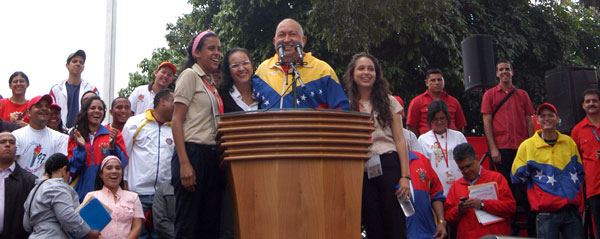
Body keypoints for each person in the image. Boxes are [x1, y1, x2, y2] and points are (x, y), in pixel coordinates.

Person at [343, 52, 410, 239]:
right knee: (371, 223)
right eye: (361, 68)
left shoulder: (389, 102)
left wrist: (405, 176)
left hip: (389, 164)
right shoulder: (346, 105)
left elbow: (400, 140)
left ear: (377, 73)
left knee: (394, 222)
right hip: (360, 169)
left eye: (371, 69)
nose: (366, 72)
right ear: (353, 73)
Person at [171, 30, 225, 239]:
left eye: (219, 49)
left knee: (209, 225)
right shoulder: (190, 76)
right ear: (197, 53)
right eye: (211, 48)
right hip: (192, 153)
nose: (217, 53)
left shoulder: (211, 83)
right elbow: (176, 120)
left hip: (211, 156)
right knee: (188, 226)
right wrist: (185, 163)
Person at [512, 103, 585, 238]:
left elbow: (580, 173)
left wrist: (572, 192)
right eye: (543, 116)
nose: (547, 119)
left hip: (571, 210)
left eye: (551, 115)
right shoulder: (527, 146)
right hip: (545, 213)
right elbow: (517, 177)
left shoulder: (569, 142)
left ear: (557, 119)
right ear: (537, 120)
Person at [481, 59, 535, 236]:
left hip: (522, 148)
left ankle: (533, 230)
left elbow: (529, 120)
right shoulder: (489, 95)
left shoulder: (522, 95)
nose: (504, 72)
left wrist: (532, 145)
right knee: (507, 191)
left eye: (507, 69)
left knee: (526, 191)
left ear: (512, 72)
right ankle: (511, 230)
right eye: (500, 69)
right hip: (502, 148)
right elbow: (487, 122)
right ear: (496, 74)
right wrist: (493, 148)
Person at [252, 18, 349, 110]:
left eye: (292, 34)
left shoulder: (323, 70)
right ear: (274, 41)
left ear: (304, 40)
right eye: (281, 35)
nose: (286, 39)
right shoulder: (263, 70)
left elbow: (340, 110)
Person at [122, 89, 175, 239]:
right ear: (162, 101)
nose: (176, 105)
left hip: (165, 193)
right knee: (139, 234)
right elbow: (124, 154)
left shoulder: (176, 127)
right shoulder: (135, 122)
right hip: (138, 193)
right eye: (173, 101)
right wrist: (125, 182)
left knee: (163, 234)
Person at [445, 143, 516, 239]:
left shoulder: (496, 178)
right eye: (461, 168)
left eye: (469, 166)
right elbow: (448, 217)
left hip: (494, 235)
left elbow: (510, 207)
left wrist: (483, 204)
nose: (466, 171)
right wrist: (459, 210)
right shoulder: (456, 186)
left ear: (477, 159)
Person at [23, 153, 101, 239]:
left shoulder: (34, 190)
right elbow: (68, 217)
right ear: (64, 170)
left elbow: (26, 224)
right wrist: (89, 233)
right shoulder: (59, 187)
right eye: (69, 174)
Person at [68, 96, 128, 202]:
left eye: (100, 109)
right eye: (93, 108)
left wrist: (113, 148)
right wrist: (81, 148)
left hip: (108, 194)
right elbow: (72, 169)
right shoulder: (76, 135)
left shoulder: (113, 134)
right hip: (81, 194)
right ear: (85, 111)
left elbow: (122, 164)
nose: (97, 111)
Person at [85, 155, 144, 239]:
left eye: (118, 168)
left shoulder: (133, 197)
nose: (114, 171)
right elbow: (88, 227)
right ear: (101, 174)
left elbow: (137, 227)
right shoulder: (92, 197)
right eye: (109, 168)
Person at [418, 100, 468, 195]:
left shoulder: (459, 136)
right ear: (431, 120)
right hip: (437, 190)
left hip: (460, 187)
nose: (439, 122)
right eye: (436, 119)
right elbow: (423, 168)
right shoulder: (423, 140)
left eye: (442, 118)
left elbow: (468, 160)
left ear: (448, 118)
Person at [13, 95, 68, 178]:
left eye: (47, 106)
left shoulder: (60, 138)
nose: (44, 109)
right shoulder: (15, 136)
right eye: (39, 106)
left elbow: (60, 170)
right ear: (28, 113)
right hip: (21, 187)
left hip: (47, 187)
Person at [571, 88, 600, 238]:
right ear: (583, 106)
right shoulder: (577, 130)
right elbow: (575, 160)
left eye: (594, 100)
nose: (591, 104)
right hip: (594, 187)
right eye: (587, 101)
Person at [407, 68, 467, 136]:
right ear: (427, 83)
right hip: (426, 144)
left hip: (452, 142)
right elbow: (411, 127)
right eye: (433, 80)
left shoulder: (454, 102)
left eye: (439, 80)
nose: (437, 83)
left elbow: (460, 126)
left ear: (444, 81)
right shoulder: (417, 102)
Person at [0, 131, 37, 239]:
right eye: (2, 142)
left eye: (11, 142)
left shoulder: (29, 181)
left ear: (16, 149)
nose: (7, 144)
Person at [50, 50, 99, 128]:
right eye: (74, 61)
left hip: (83, 132)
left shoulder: (91, 89)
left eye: (81, 62)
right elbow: (51, 112)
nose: (78, 64)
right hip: (60, 132)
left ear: (83, 67)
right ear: (67, 65)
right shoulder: (56, 90)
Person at [406, 150, 446, 239]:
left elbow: (436, 193)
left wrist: (441, 221)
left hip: (428, 233)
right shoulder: (385, 163)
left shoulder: (420, 159)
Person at [218, 48, 258, 112]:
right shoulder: (221, 97)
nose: (241, 69)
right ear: (228, 71)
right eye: (235, 65)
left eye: (245, 63)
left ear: (252, 66)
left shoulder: (263, 93)